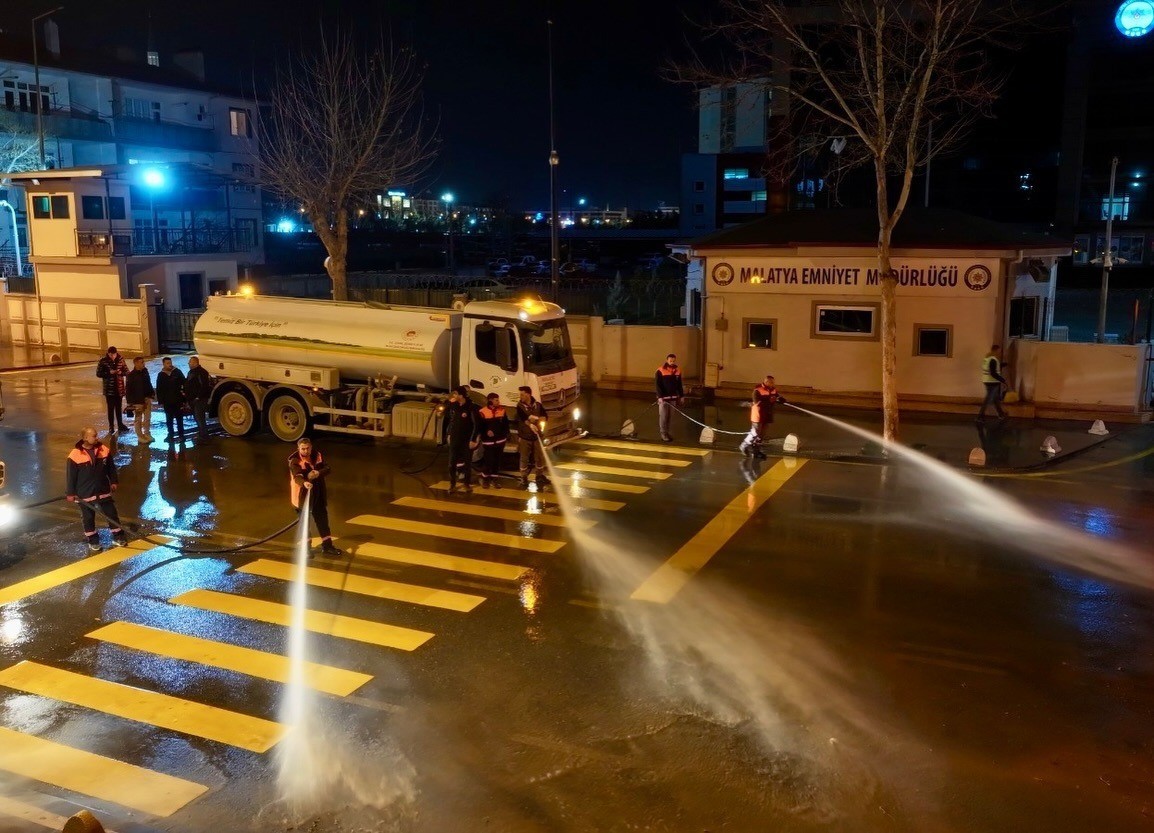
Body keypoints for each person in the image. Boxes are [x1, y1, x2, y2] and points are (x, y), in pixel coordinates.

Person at [66, 426, 127, 552]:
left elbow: (111, 467)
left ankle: (118, 536)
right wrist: (70, 493)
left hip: (102, 489)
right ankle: (93, 540)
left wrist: (114, 481)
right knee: (88, 517)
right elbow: (71, 476)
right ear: (85, 438)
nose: (97, 437)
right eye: (94, 436)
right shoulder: (74, 455)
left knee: (111, 514)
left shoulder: (103, 450)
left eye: (96, 435)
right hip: (85, 493)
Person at [289, 436, 342, 557]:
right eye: (303, 449)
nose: (306, 451)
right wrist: (305, 483)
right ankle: (306, 549)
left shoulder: (317, 455)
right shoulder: (295, 461)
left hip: (318, 495)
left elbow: (327, 468)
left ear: (311, 447)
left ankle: (327, 546)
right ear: (298, 448)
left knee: (323, 521)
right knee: (305, 524)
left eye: (307, 448)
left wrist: (319, 473)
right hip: (302, 498)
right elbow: (297, 477)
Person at [443, 386, 481, 492]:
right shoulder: (453, 406)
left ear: (461, 395)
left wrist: (473, 439)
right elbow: (449, 417)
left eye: (455, 394)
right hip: (455, 439)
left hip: (466, 440)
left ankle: (467, 484)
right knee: (451, 463)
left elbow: (476, 425)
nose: (454, 396)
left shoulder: (471, 407)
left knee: (467, 463)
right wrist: (449, 434)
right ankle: (452, 484)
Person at [739, 374, 786, 459]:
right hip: (758, 415)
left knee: (761, 435)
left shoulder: (773, 390)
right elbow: (757, 402)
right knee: (755, 433)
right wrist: (770, 400)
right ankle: (744, 445)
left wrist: (781, 399)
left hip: (767, 415)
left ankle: (756, 451)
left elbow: (776, 396)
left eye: (773, 382)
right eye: (771, 382)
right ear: (766, 381)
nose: (772, 384)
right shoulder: (757, 390)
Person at [515, 385, 549, 489]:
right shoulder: (519, 406)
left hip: (537, 436)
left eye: (522, 394)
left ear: (528, 394)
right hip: (525, 436)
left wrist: (538, 420)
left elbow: (545, 416)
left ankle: (539, 476)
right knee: (524, 458)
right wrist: (530, 424)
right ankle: (523, 477)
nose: (520, 396)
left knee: (539, 457)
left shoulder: (537, 405)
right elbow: (523, 417)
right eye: (520, 394)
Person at [477, 392, 509, 488]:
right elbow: (479, 426)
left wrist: (506, 435)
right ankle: (485, 479)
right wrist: (486, 432)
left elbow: (506, 425)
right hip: (488, 441)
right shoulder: (483, 411)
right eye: (496, 400)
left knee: (497, 461)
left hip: (500, 441)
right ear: (490, 400)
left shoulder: (502, 411)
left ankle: (494, 479)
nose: (498, 401)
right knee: (488, 460)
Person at [96, 346, 129, 434]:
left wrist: (120, 373)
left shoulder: (121, 359)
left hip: (119, 388)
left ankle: (120, 424)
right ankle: (111, 427)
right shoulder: (103, 361)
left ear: (116, 353)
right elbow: (98, 373)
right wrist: (108, 373)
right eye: (110, 355)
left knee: (118, 408)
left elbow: (127, 371)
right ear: (108, 353)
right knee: (110, 408)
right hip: (109, 389)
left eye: (114, 354)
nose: (112, 356)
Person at [155, 357, 187, 443]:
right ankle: (170, 435)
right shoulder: (161, 375)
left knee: (179, 419)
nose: (170, 364)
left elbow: (184, 383)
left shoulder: (177, 372)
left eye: (170, 362)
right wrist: (161, 401)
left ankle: (181, 435)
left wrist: (184, 397)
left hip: (178, 400)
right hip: (167, 402)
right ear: (164, 364)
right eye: (167, 363)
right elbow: (159, 389)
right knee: (169, 419)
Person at [125, 357, 155, 443]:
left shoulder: (145, 372)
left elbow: (148, 383)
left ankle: (147, 434)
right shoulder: (131, 375)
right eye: (141, 362)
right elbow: (128, 390)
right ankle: (140, 436)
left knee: (147, 418)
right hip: (137, 401)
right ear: (136, 363)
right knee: (138, 419)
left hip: (147, 398)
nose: (143, 364)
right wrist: (130, 403)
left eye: (143, 362)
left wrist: (151, 393)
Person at [654, 353, 684, 442]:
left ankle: (668, 433)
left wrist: (681, 396)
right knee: (663, 416)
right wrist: (660, 397)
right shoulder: (660, 371)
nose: (672, 362)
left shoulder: (677, 371)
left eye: (673, 361)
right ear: (667, 360)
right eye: (670, 361)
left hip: (673, 398)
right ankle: (663, 433)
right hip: (663, 399)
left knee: (670, 417)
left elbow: (679, 385)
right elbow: (657, 385)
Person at [184, 356, 215, 440]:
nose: (189, 364)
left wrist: (198, 397)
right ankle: (201, 433)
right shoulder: (191, 372)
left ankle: (204, 435)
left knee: (199, 417)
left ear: (195, 363)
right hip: (193, 399)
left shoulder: (201, 372)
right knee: (197, 417)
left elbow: (204, 386)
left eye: (190, 362)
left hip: (200, 399)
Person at [978, 344, 1008, 421]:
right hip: (992, 382)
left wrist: (1004, 364)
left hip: (987, 380)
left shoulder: (987, 358)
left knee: (995, 399)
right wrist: (1003, 380)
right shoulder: (993, 359)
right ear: (996, 350)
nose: (1000, 352)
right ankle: (980, 416)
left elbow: (993, 368)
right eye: (999, 350)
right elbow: (993, 373)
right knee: (988, 399)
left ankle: (1001, 414)